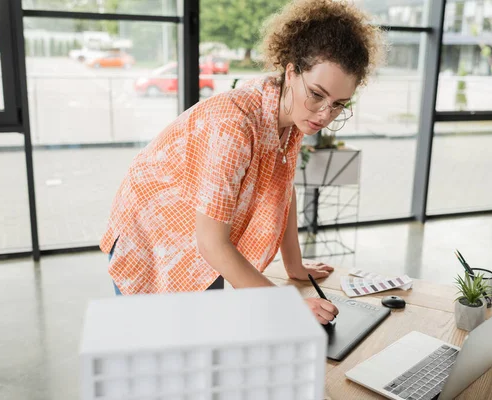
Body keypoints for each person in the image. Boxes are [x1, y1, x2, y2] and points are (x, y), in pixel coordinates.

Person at [100, 0, 384, 325]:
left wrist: (294, 266)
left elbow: (283, 188)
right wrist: (288, 305)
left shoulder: (291, 117)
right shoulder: (234, 124)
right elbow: (211, 243)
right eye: (317, 95)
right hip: (153, 230)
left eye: (338, 104)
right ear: (291, 72)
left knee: (204, 338)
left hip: (199, 230)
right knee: (162, 347)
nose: (324, 114)